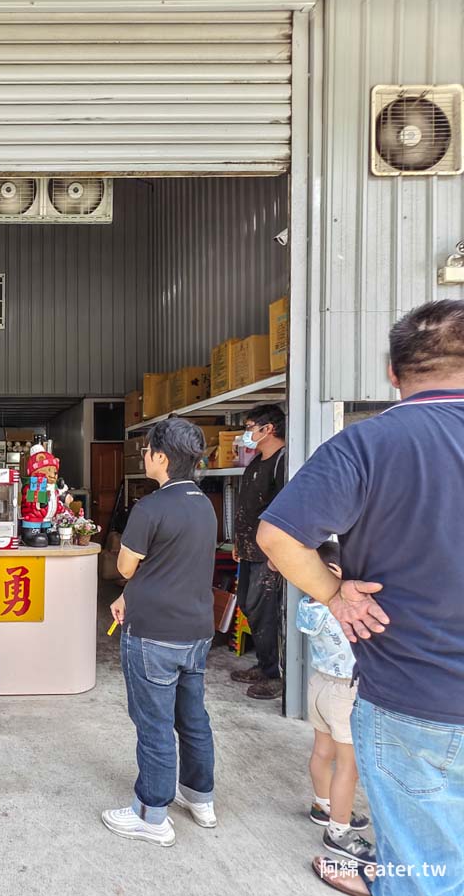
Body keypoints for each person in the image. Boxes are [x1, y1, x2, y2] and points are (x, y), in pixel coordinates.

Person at [258, 299, 464, 896]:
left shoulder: (367, 445)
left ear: (393, 373)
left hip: (414, 698)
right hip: (420, 702)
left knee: (426, 869)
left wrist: (334, 594)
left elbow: (277, 536)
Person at [104, 418, 218, 847]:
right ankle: (199, 796)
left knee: (153, 723)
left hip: (153, 634)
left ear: (162, 458)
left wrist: (130, 587)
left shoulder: (150, 507)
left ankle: (152, 814)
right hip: (196, 631)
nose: (144, 455)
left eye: (148, 449)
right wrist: (131, 595)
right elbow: (172, 565)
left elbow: (126, 566)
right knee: (192, 716)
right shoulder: (203, 503)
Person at [297, 542, 375, 866]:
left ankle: (322, 804)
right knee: (348, 765)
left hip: (318, 685)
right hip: (344, 690)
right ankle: (339, 831)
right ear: (334, 573)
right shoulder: (339, 607)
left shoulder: (308, 604)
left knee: (321, 752)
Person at [229, 403, 288, 700]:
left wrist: (278, 553)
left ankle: (275, 675)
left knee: (267, 613)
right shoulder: (255, 464)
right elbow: (246, 507)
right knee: (249, 606)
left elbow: (283, 511)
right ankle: (264, 665)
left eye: (251, 427)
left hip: (270, 554)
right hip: (250, 550)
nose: (246, 434)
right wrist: (239, 541)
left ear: (269, 429)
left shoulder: (282, 463)